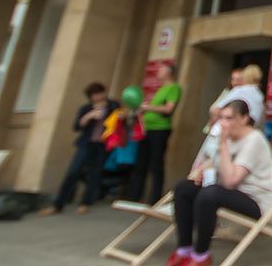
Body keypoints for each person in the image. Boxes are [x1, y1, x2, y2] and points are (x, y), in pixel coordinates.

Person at [167, 100, 272, 266]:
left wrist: (222, 144)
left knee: (209, 194)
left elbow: (231, 181)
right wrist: (202, 171)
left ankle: (201, 256)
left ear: (244, 119)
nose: (223, 123)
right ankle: (184, 249)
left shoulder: (254, 140)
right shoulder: (228, 138)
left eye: (229, 118)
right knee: (183, 188)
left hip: (254, 201)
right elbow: (216, 166)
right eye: (222, 118)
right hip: (226, 194)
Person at [39, 82, 119, 215]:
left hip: (102, 145)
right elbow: (76, 127)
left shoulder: (113, 105)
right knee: (73, 172)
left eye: (99, 93)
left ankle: (85, 203)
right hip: (86, 144)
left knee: (94, 173)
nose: (97, 97)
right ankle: (58, 205)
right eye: (94, 95)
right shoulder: (86, 108)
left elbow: (120, 120)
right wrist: (88, 116)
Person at [128, 64, 181, 204]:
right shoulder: (160, 89)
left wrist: (147, 107)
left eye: (161, 70)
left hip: (160, 129)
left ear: (169, 72)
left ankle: (154, 199)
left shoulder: (173, 88)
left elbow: (168, 109)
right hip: (147, 129)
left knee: (156, 164)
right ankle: (134, 196)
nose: (158, 72)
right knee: (141, 163)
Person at [211, 64, 264, 130]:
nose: (235, 82)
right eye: (233, 79)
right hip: (248, 131)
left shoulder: (239, 90)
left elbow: (216, 110)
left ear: (245, 77)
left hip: (228, 130)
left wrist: (214, 125)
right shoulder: (260, 96)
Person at [204, 67, 243, 135]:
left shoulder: (243, 96)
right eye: (233, 79)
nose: (235, 82)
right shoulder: (227, 92)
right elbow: (214, 108)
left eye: (238, 80)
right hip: (216, 128)